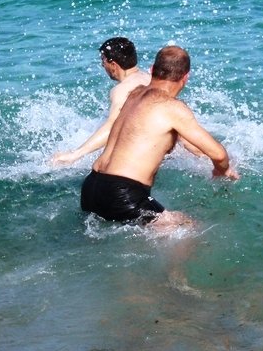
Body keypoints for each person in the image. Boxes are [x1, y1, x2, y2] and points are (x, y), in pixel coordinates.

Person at [81, 45, 239, 230]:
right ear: (185, 77)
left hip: (91, 187)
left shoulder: (134, 94)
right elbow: (219, 155)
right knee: (189, 227)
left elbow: (190, 145)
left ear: (152, 70)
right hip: (122, 193)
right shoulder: (172, 108)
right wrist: (223, 171)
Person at [51, 37, 150, 166]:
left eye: (103, 61)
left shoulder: (122, 90)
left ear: (113, 65)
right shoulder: (149, 78)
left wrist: (74, 155)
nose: (103, 65)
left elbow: (113, 126)